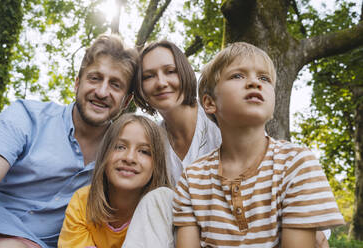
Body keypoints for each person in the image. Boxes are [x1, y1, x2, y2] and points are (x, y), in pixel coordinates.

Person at [173, 42, 345, 247]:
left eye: (264, 78)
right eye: (238, 76)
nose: (254, 83)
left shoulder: (298, 164)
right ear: (210, 103)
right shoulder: (191, 180)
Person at [0, 34, 138, 248]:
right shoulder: (27, 117)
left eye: (115, 85)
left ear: (126, 101)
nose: (102, 92)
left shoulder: (121, 157)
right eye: (95, 78)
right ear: (77, 83)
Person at [58, 114, 172, 248]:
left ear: (157, 164)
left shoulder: (164, 208)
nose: (129, 158)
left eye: (144, 151)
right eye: (120, 147)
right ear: (104, 154)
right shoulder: (82, 203)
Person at [134, 40, 221, 185]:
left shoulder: (220, 118)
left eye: (170, 71)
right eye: (148, 76)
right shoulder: (153, 144)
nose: (161, 83)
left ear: (184, 72)